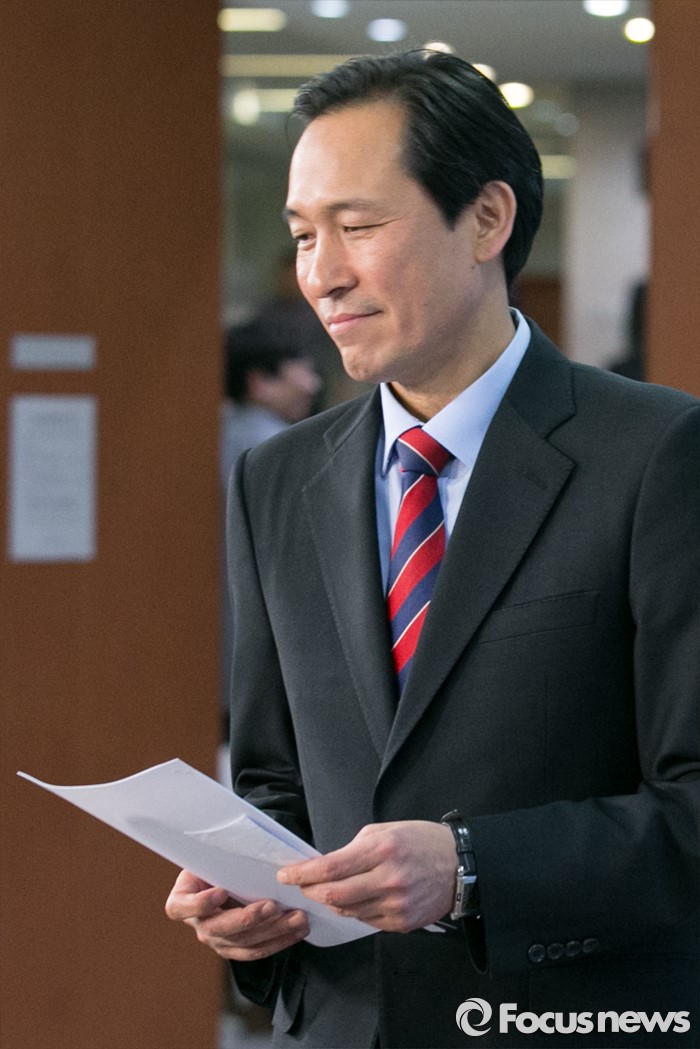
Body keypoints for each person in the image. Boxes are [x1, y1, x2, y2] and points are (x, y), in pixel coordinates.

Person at [166, 51, 699, 1048]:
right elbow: (275, 780)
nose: (321, 273)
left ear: (486, 220)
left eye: (358, 226)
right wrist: (252, 900)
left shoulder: (658, 454)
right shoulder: (277, 478)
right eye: (303, 234)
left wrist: (471, 865)